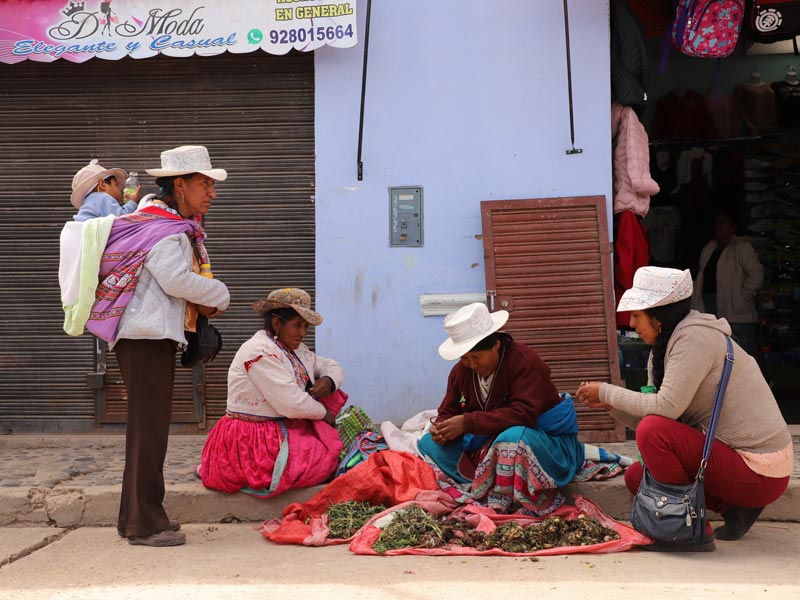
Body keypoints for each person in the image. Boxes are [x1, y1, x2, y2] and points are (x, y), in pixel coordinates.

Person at [577, 267, 792, 551]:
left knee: (654, 431)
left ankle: (687, 532)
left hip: (760, 471)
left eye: (638, 316)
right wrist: (611, 406)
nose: (631, 323)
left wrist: (608, 390)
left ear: (660, 317)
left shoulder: (693, 338)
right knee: (636, 476)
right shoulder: (665, 348)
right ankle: (734, 509)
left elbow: (665, 409)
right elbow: (658, 413)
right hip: (739, 467)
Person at [86, 145, 231, 547]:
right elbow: (176, 281)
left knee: (145, 431)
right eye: (205, 184)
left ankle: (133, 517)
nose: (212, 193)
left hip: (143, 339)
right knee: (149, 433)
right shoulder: (165, 230)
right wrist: (221, 293)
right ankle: (145, 524)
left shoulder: (153, 221)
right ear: (180, 186)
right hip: (145, 339)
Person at [418, 302, 584, 515]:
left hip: (542, 441)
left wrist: (467, 422)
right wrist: (441, 428)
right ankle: (483, 485)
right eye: (465, 358)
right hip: (486, 446)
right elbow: (447, 411)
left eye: (476, 357)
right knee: (427, 443)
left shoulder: (524, 362)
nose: (472, 365)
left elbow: (523, 414)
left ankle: (504, 499)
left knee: (513, 438)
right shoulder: (461, 372)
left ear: (496, 345)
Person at [197, 288, 346, 498]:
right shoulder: (260, 351)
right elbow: (292, 404)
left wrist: (329, 381)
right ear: (277, 323)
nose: (302, 333)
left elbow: (331, 366)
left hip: (276, 427)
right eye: (297, 325)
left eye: (305, 327)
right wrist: (324, 413)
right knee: (324, 461)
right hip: (253, 439)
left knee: (329, 448)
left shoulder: (295, 349)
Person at [692, 209, 763, 356]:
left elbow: (756, 275)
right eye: (717, 223)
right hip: (709, 307)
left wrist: (742, 298)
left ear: (733, 227)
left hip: (736, 312)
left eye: (723, 223)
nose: (718, 226)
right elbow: (701, 277)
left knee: (743, 355)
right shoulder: (709, 248)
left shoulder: (742, 247)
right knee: (718, 355)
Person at [71, 159, 139, 222]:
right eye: (116, 185)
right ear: (102, 184)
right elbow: (121, 218)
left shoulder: (90, 201)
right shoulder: (101, 198)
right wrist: (132, 202)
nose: (120, 190)